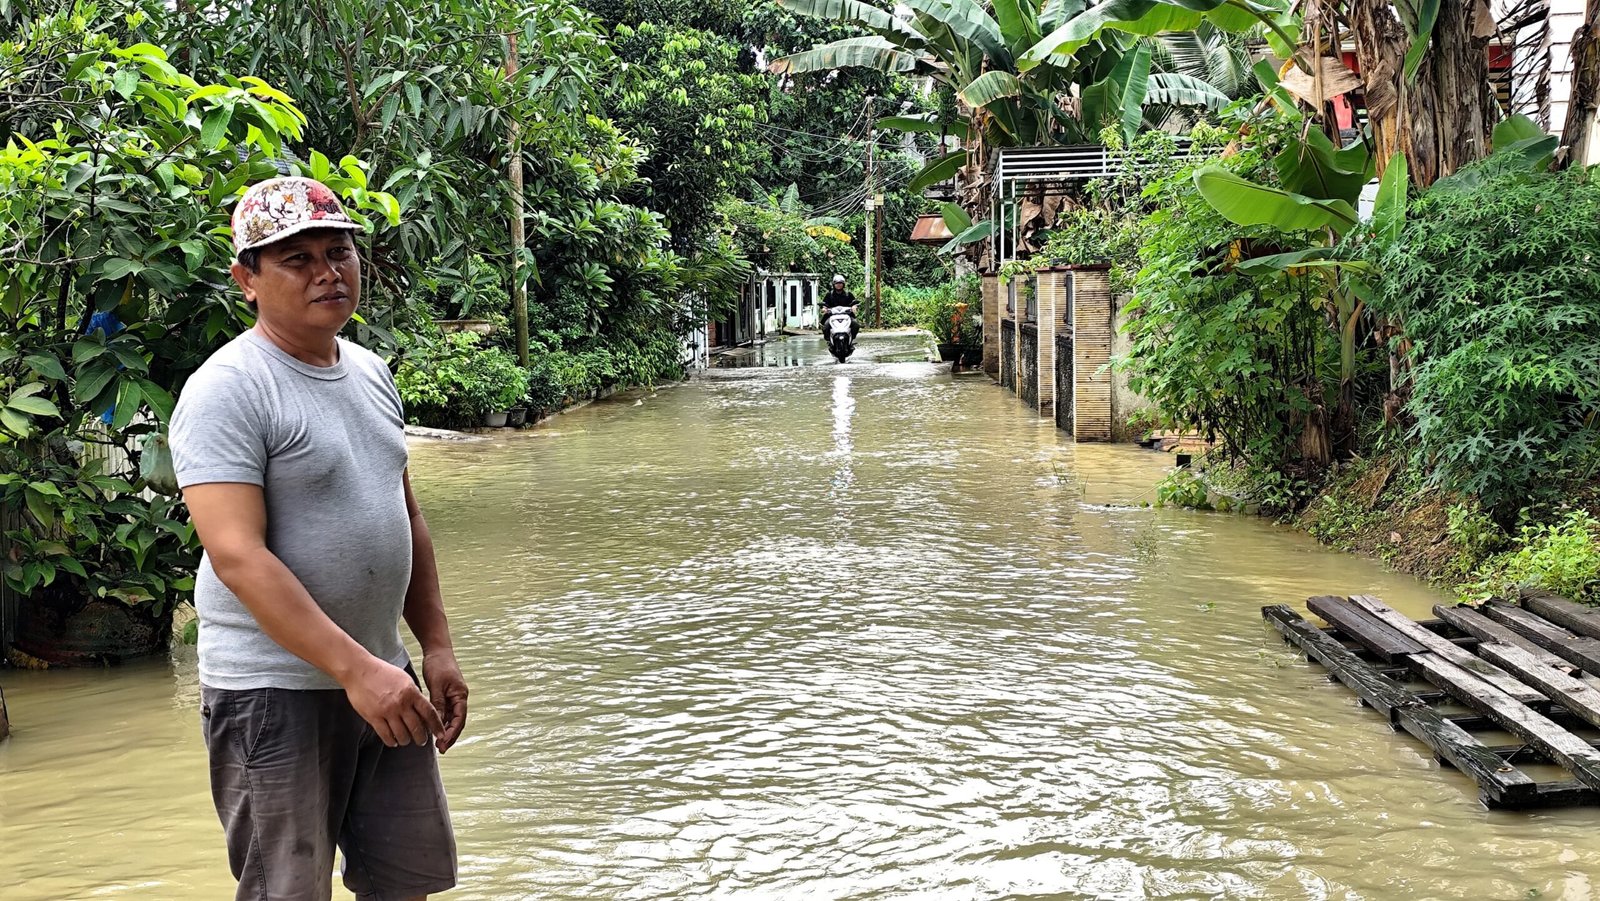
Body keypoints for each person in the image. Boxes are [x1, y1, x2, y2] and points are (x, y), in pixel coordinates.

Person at [170, 176, 467, 901]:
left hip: (385, 678)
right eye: (296, 259)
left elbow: (407, 516)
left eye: (338, 251)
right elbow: (237, 555)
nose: (328, 271)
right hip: (275, 692)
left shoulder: (369, 372)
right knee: (287, 891)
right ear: (247, 279)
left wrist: (435, 644)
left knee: (404, 883)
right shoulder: (228, 389)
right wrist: (355, 669)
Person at [819, 274, 859, 340]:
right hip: (832, 316)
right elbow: (824, 304)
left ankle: (851, 338)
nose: (838, 285)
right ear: (834, 284)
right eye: (837, 283)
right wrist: (824, 308)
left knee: (856, 325)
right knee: (826, 326)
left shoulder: (848, 294)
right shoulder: (829, 295)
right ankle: (829, 340)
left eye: (840, 283)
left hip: (847, 316)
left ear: (843, 284)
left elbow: (854, 303)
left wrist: (854, 307)